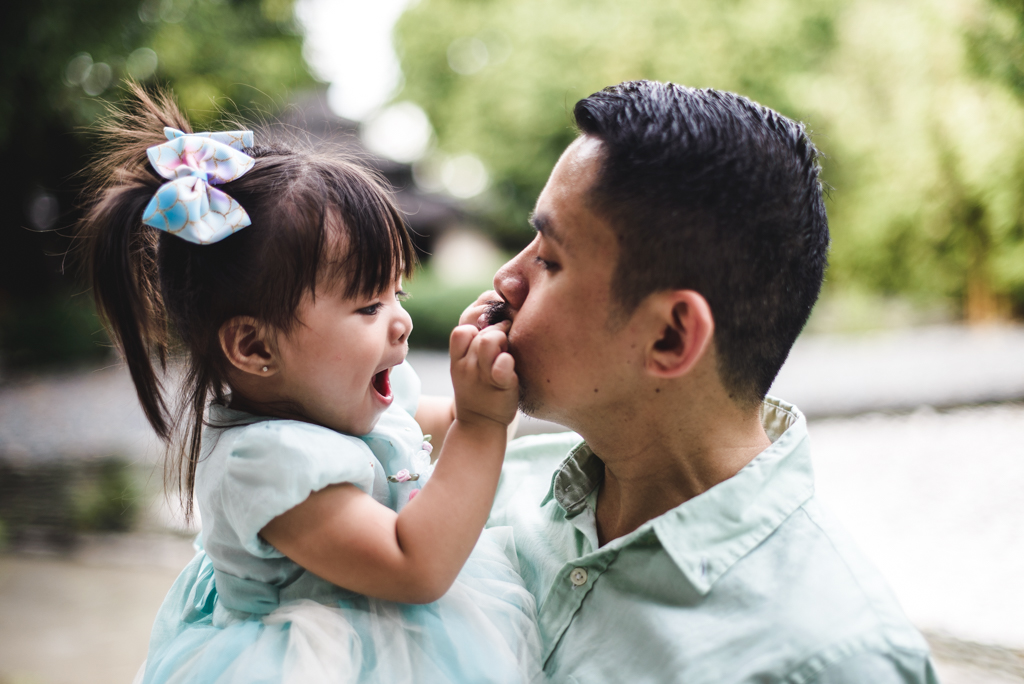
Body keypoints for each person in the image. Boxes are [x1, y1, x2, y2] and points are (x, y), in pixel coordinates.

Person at [463, 81, 939, 683]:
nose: (506, 279)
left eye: (549, 259)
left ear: (670, 336)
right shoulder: (484, 491)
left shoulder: (837, 660)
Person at [80, 85, 541, 683]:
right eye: (368, 306)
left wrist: (486, 371)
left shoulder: (351, 397)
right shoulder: (265, 464)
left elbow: (441, 419)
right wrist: (482, 426)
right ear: (255, 347)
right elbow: (415, 566)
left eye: (397, 293)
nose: (401, 321)